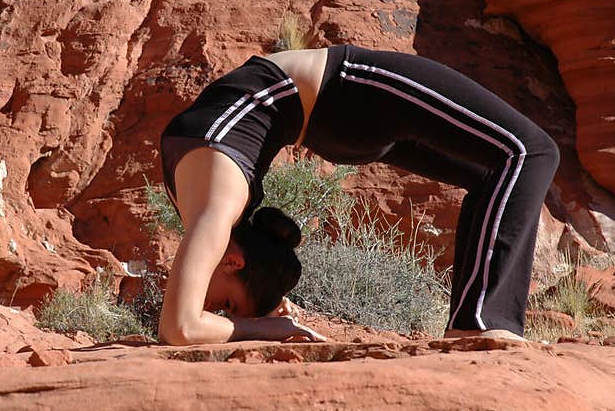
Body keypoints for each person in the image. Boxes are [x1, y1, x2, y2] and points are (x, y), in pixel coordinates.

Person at [157, 44, 560, 346]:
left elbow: (182, 326)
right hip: (334, 116)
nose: (214, 313)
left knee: (529, 153)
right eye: (225, 309)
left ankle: (477, 326)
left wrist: (262, 327)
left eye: (227, 307)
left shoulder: (216, 207)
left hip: (347, 89)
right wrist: (261, 326)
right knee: (519, 157)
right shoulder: (209, 201)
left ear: (233, 261)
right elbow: (184, 327)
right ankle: (475, 328)